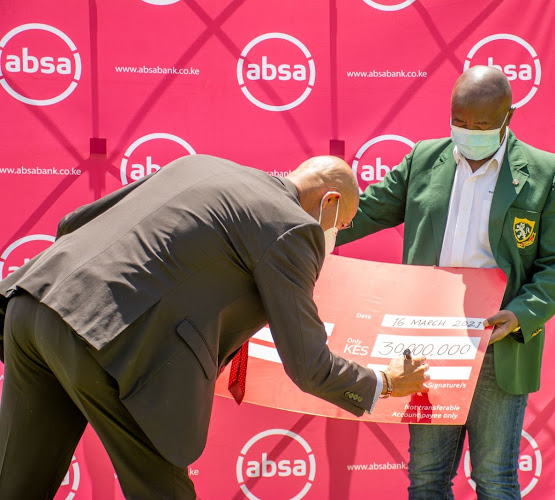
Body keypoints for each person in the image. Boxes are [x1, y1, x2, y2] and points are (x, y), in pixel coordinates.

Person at [0, 154, 430, 499]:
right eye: (344, 222)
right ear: (330, 202)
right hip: (106, 338)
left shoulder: (201, 164)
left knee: (18, 482)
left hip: (36, 299)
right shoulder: (294, 228)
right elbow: (308, 365)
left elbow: (73, 222)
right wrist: (384, 382)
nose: (337, 234)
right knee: (161, 488)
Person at [336, 66, 555, 499]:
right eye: (460, 122)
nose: (468, 132)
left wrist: (522, 314)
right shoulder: (423, 159)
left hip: (498, 341)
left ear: (509, 117)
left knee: (495, 479)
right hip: (430, 341)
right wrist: (300, 231)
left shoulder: (547, 174)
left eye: (482, 125)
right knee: (427, 478)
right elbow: (365, 212)